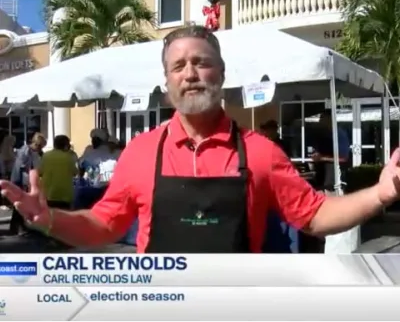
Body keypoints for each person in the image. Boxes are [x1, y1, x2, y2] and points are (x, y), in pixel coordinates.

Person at [1, 25, 400, 253]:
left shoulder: (261, 152)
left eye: (201, 62)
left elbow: (314, 215)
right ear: (168, 81)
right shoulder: (140, 152)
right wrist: (50, 219)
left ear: (221, 74)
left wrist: (380, 194)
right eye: (178, 65)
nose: (190, 73)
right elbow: (103, 225)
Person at [8, 132, 46, 235]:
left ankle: (17, 227)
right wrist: (27, 182)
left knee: (21, 204)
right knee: (20, 204)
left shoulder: (33, 152)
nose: (41, 149)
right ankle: (17, 227)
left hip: (24, 180)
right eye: (41, 146)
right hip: (19, 181)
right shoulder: (25, 151)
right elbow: (23, 168)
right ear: (37, 144)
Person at [311, 110, 350, 193]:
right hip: (321, 180)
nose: (320, 121)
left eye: (322, 118)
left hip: (334, 182)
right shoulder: (323, 134)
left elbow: (343, 158)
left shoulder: (339, 134)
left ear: (330, 119)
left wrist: (322, 158)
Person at [39, 135, 77, 210]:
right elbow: (75, 172)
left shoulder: (46, 156)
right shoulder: (69, 157)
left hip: (48, 194)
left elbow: (40, 172)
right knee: (63, 219)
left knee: (50, 218)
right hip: (64, 195)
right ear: (66, 145)